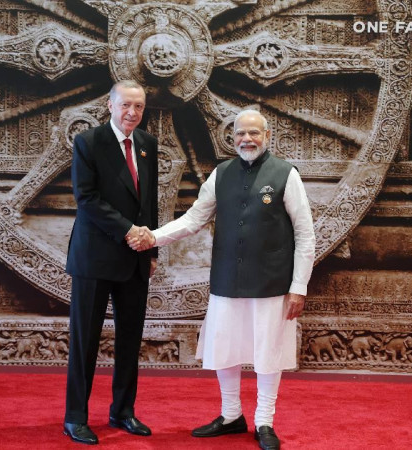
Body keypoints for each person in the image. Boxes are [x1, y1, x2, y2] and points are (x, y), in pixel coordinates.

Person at [128, 109, 315, 450]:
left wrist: (298, 287)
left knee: (268, 352)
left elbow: (305, 234)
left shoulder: (286, 174)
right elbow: (193, 220)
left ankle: (264, 421)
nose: (247, 139)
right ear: (232, 137)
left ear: (267, 136)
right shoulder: (221, 174)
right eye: (241, 133)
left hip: (272, 282)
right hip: (227, 278)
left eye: (254, 133)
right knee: (224, 347)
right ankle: (231, 415)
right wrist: (153, 237)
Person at [63, 80, 158, 445]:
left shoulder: (147, 144)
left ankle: (123, 411)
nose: (132, 112)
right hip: (94, 256)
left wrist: (151, 249)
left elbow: (148, 200)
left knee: (130, 340)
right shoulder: (88, 142)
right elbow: (86, 198)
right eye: (125, 105)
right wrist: (128, 230)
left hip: (136, 258)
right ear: (110, 105)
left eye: (138, 106)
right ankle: (75, 418)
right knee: (84, 341)